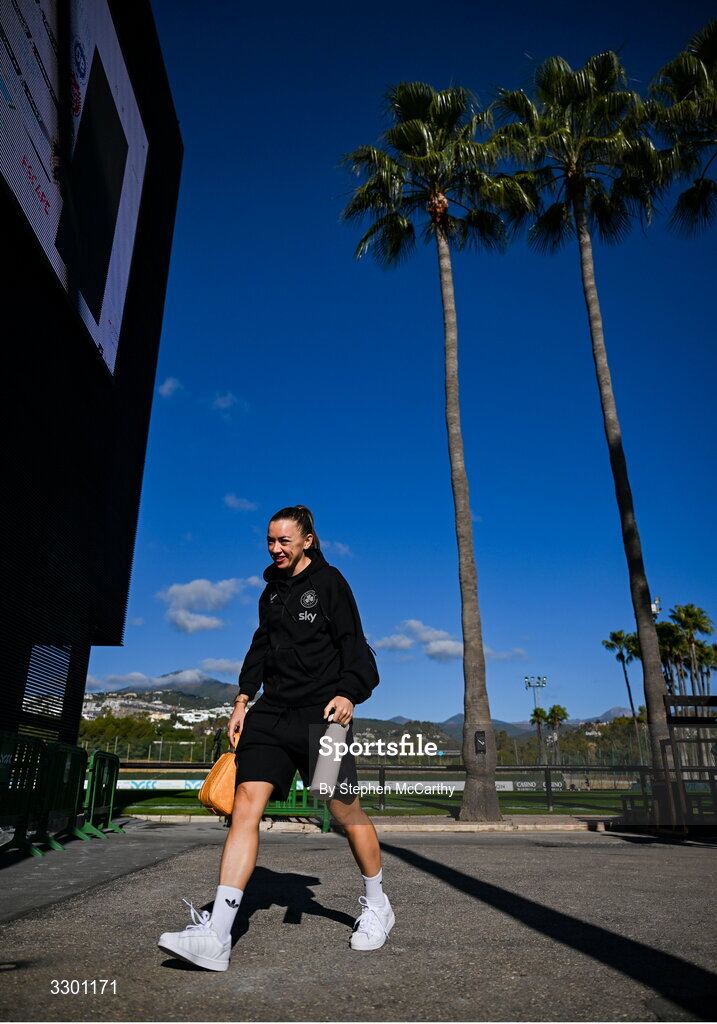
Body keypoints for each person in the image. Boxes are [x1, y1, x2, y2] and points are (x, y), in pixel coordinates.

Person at [158, 505, 394, 971]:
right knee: (246, 804)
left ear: (308, 539)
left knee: (342, 808)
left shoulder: (331, 584)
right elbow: (260, 647)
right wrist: (243, 699)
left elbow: (356, 647)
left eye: (284, 540)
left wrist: (349, 693)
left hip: (322, 718)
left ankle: (378, 904)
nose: (275, 548)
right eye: (270, 540)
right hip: (271, 715)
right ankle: (218, 935)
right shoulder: (270, 592)